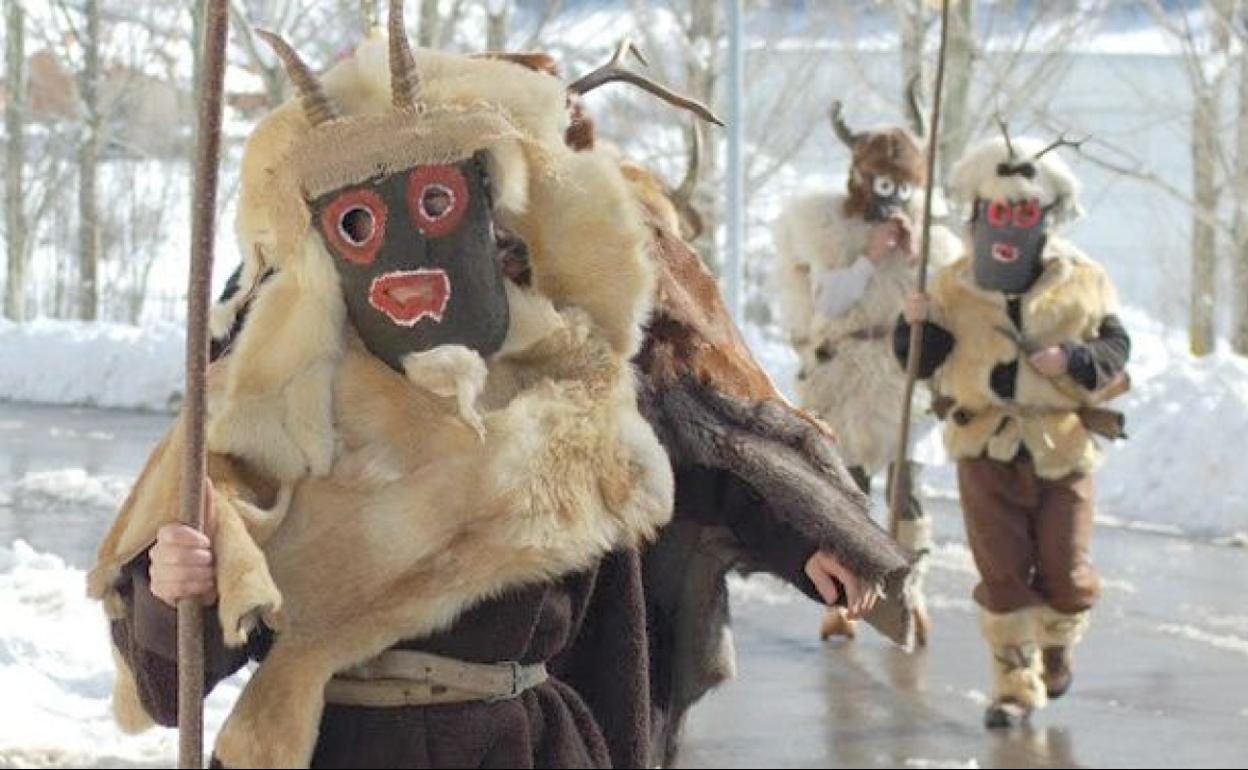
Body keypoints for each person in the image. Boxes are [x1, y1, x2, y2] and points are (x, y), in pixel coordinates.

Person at [897, 128, 1130, 728]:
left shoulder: (1083, 278)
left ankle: (1056, 647)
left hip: (1062, 447)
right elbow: (920, 362)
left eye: (1023, 212)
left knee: (1066, 571)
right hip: (984, 443)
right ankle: (1013, 682)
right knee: (1001, 569)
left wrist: (1072, 361)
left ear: (1045, 214)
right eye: (1000, 211)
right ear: (980, 214)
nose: (1010, 223)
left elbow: (1115, 346)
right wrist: (914, 325)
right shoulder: (951, 284)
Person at [772, 99, 961, 644]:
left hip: (902, 379)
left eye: (902, 186)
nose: (892, 198)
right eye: (883, 184)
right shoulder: (827, 228)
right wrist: (871, 258)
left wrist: (920, 257)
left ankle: (909, 592)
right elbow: (828, 304)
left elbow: (948, 310)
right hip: (844, 375)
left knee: (908, 493)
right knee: (845, 495)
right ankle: (843, 602)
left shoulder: (931, 241)